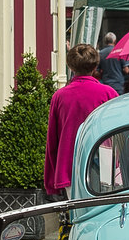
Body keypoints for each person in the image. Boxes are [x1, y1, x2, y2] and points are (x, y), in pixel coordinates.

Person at [45, 43, 119, 198]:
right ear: (95, 66)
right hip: (104, 164)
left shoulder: (60, 97)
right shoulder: (108, 93)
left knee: (76, 216)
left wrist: (51, 182)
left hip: (69, 166)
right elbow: (119, 136)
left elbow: (53, 141)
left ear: (71, 67)